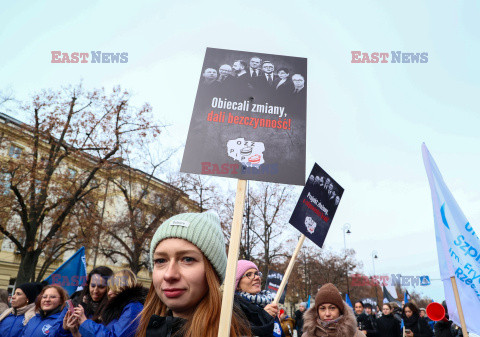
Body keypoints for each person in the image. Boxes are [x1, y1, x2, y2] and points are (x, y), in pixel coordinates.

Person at [135, 212, 253, 337]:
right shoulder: (142, 329)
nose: (169, 275)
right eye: (161, 260)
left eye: (187, 259)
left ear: (212, 272)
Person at [65, 269, 148, 337]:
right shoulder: (121, 308)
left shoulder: (133, 307)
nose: (109, 293)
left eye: (113, 288)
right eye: (109, 289)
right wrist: (76, 333)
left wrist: (85, 322)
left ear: (122, 287)